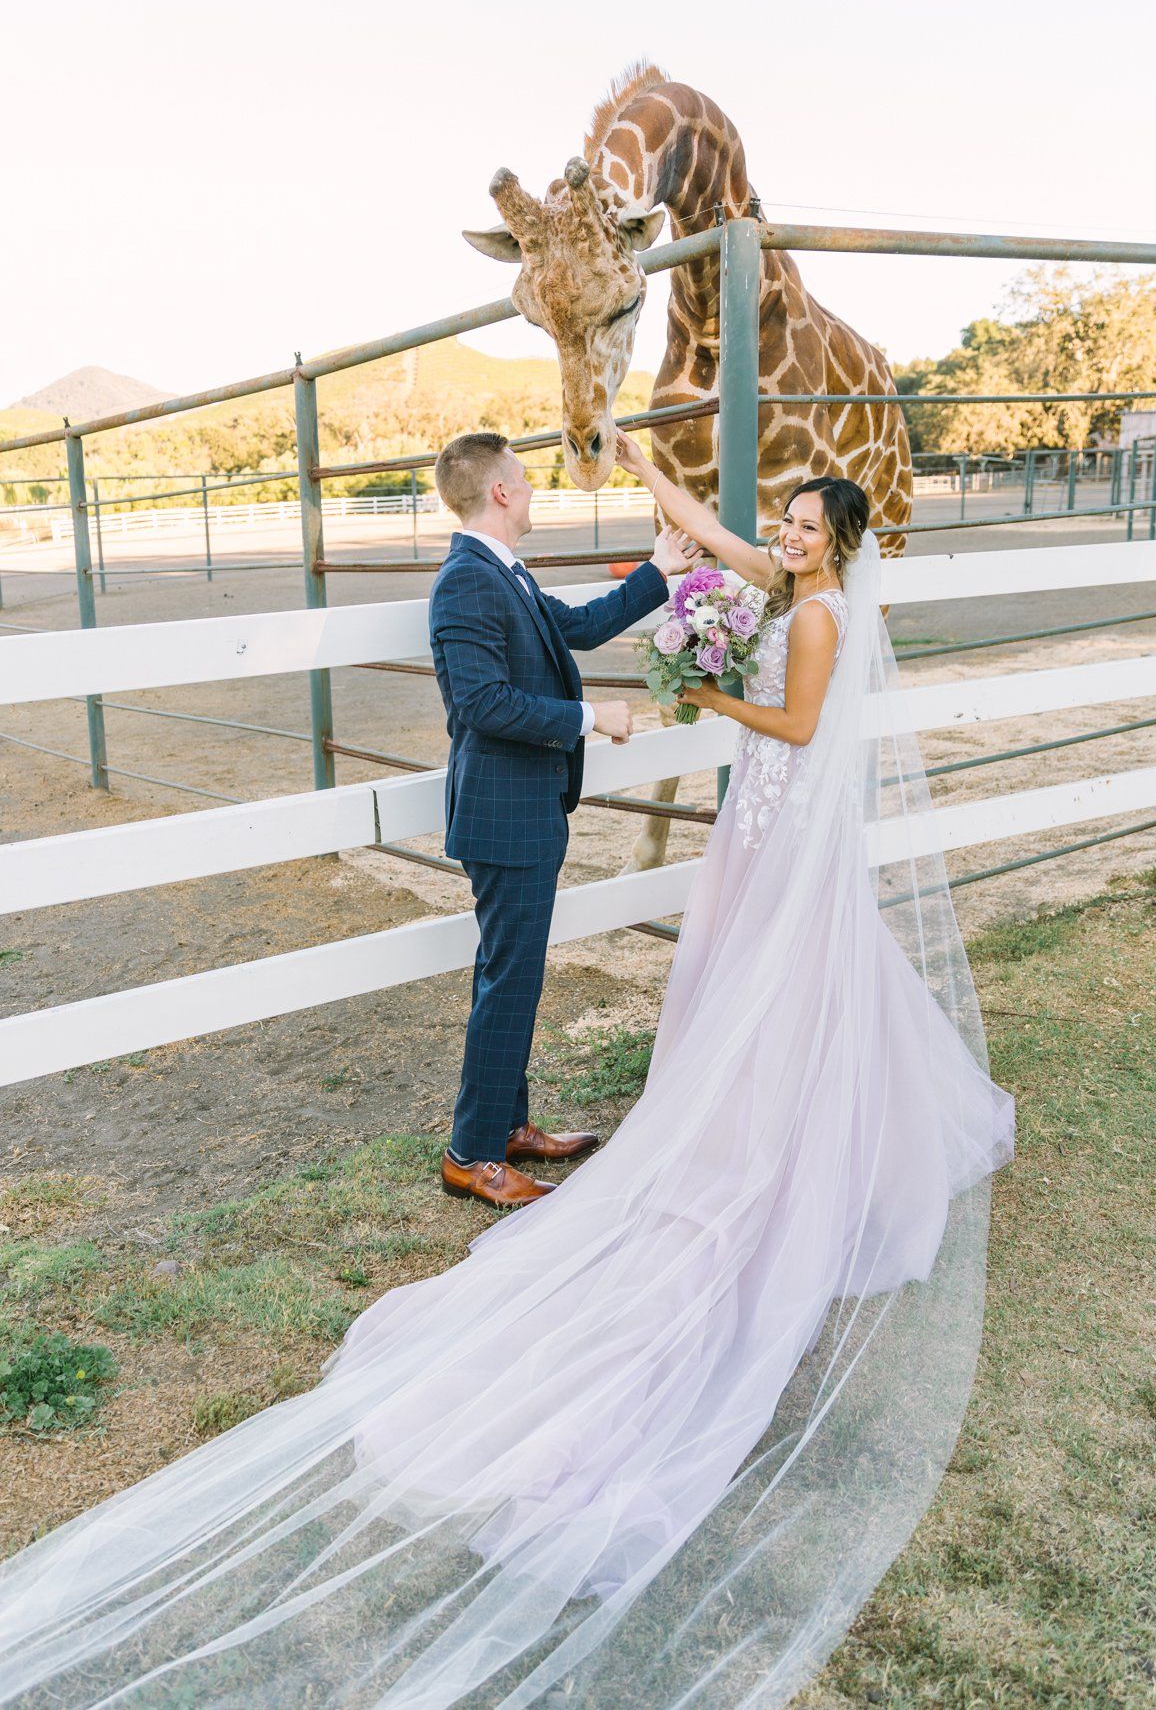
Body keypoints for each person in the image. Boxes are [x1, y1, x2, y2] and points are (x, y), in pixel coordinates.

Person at [0, 448, 1014, 1710]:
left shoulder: (757, 604)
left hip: (771, 803)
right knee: (587, 978)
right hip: (640, 810)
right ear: (497, 494)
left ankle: (535, 1128)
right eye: (790, 520)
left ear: (838, 542)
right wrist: (642, 483)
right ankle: (498, 1137)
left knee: (727, 975)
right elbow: (582, 627)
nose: (792, 533)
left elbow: (669, 654)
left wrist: (687, 650)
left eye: (809, 524)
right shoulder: (501, 582)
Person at [428, 431, 695, 1209]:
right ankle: (472, 1156)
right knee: (509, 981)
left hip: (525, 809)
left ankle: (507, 1127)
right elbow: (480, 704)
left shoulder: (502, 572)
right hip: (503, 815)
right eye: (524, 477)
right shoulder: (467, 581)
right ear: (500, 492)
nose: (533, 488)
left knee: (512, 976)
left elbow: (572, 627)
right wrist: (588, 715)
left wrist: (658, 573)